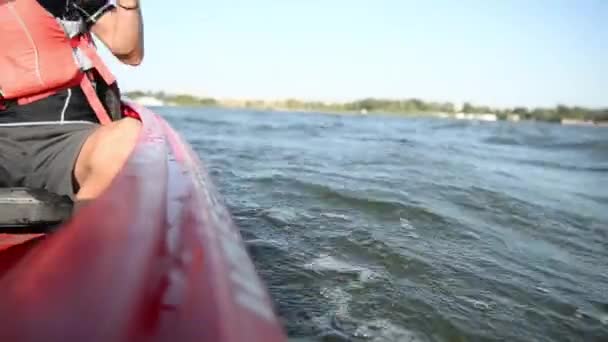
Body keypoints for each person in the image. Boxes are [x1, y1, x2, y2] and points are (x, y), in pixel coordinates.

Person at [0, 0, 144, 210]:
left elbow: (129, 50)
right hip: (5, 136)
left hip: (73, 139)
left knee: (129, 134)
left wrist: (129, 5)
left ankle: (87, 234)